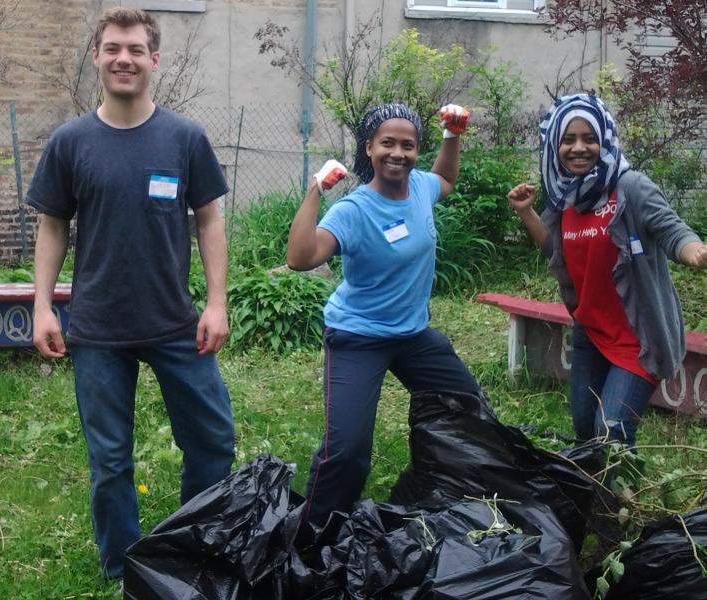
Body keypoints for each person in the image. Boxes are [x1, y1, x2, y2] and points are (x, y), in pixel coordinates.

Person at [27, 7, 235, 580]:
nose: (125, 59)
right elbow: (52, 226)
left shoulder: (184, 138)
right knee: (110, 459)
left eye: (136, 49)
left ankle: (196, 547)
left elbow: (209, 220)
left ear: (154, 59)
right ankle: (124, 568)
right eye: (114, 48)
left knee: (213, 441)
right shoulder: (70, 142)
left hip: (175, 322)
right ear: (96, 56)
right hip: (97, 328)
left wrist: (216, 302)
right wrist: (43, 306)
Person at [287, 102, 483, 526]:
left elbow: (446, 178)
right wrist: (315, 190)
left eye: (407, 146)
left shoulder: (421, 188)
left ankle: (435, 494)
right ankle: (314, 533)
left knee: (466, 408)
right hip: (358, 337)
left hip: (413, 336)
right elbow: (300, 258)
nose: (398, 153)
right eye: (387, 144)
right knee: (347, 451)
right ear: (369, 148)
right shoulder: (354, 210)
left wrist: (451, 135)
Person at [507, 93, 707, 448]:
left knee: (610, 430)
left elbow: (672, 230)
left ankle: (615, 484)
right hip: (591, 333)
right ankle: (604, 480)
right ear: (555, 145)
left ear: (605, 139)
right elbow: (558, 252)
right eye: (568, 139)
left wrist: (695, 252)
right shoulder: (567, 195)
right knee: (585, 426)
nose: (578, 148)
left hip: (638, 337)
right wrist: (526, 212)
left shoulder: (630, 187)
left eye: (589, 138)